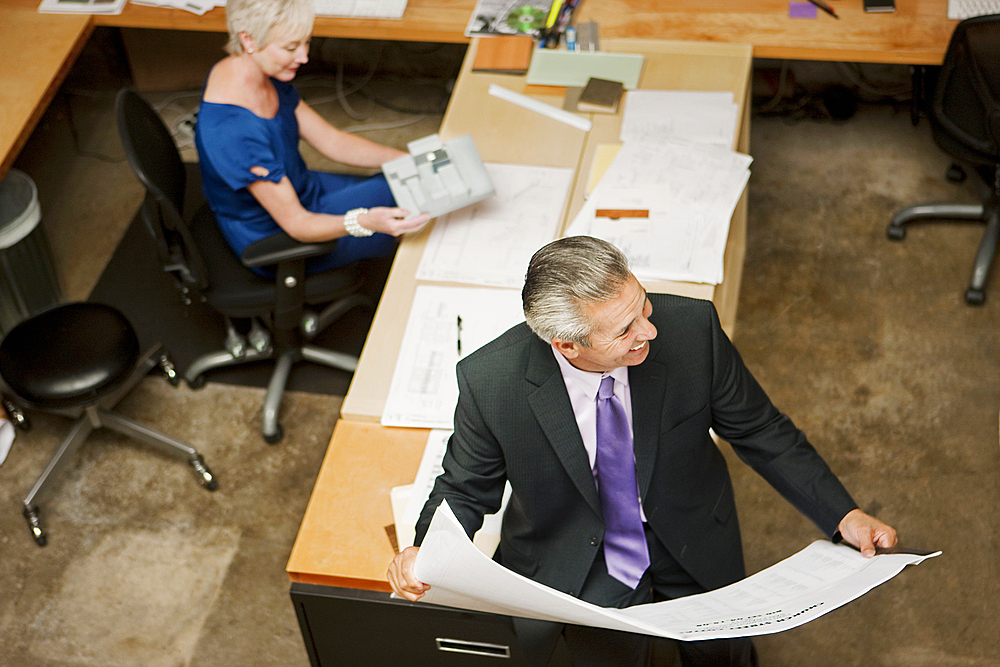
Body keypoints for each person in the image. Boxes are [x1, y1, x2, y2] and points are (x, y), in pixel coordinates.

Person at [387, 236, 898, 667]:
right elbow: (463, 487)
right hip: (575, 557)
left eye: (644, 308)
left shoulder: (692, 331)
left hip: (692, 529)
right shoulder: (490, 382)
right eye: (625, 331)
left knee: (724, 655)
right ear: (567, 345)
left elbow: (762, 430)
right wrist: (423, 552)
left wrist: (842, 513)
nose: (648, 332)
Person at [194, 0, 431, 276]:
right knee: (412, 218)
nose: (304, 57)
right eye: (291, 47)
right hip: (275, 234)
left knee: (406, 184)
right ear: (248, 40)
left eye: (306, 42)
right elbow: (297, 223)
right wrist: (364, 221)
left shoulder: (256, 69)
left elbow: (332, 141)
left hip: (302, 189)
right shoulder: (232, 133)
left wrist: (407, 160)